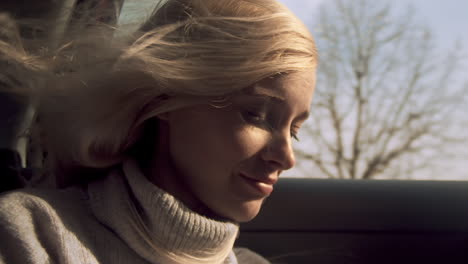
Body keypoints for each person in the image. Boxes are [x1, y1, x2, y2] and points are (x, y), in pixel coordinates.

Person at [0, 0, 317, 263]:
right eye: (257, 115)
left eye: (295, 130)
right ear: (166, 96)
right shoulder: (32, 234)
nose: (286, 157)